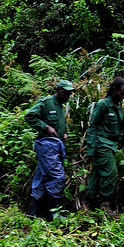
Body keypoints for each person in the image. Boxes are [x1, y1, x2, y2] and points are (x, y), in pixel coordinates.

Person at [84, 77, 124, 215]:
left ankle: (88, 203)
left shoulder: (117, 107)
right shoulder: (103, 104)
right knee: (111, 173)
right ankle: (105, 203)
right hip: (102, 144)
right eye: (121, 93)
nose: (123, 97)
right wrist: (91, 148)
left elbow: (118, 127)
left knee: (97, 173)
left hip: (111, 144)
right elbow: (93, 126)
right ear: (114, 90)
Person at [25, 79, 75, 221]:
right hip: (46, 145)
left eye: (69, 94)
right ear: (58, 91)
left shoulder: (60, 106)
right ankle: (54, 214)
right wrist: (45, 127)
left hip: (56, 145)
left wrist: (62, 133)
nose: (67, 96)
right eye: (65, 93)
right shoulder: (47, 103)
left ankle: (32, 214)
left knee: (41, 179)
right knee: (56, 176)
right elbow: (29, 116)